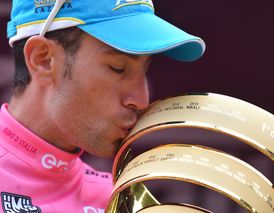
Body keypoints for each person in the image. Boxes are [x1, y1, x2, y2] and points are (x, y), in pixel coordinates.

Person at [0, 0, 205, 212]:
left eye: (146, 68)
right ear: (43, 59)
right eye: (117, 68)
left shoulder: (120, 201)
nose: (142, 100)